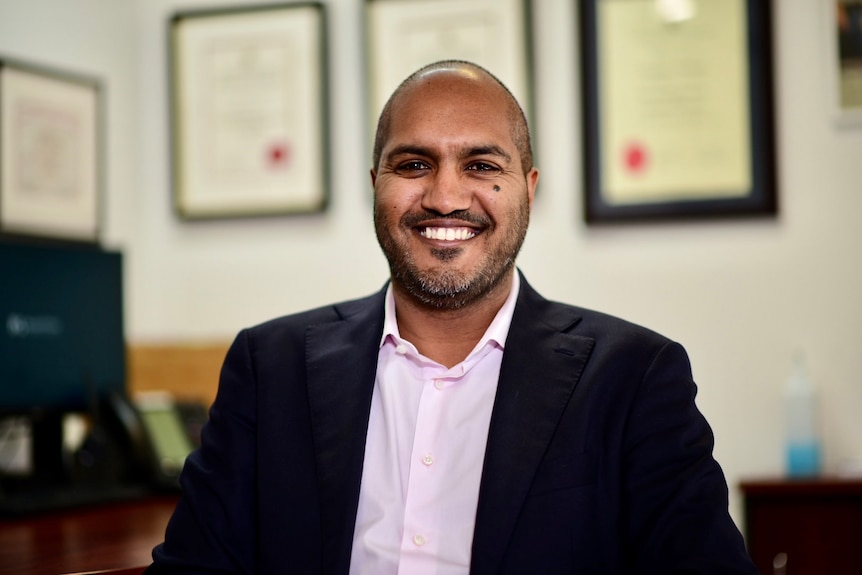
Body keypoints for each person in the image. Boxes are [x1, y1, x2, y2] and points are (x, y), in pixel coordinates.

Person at [146, 60, 758, 574]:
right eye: (413, 164)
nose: (444, 196)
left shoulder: (636, 377)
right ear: (375, 185)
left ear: (529, 188)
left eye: (482, 166)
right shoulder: (267, 365)